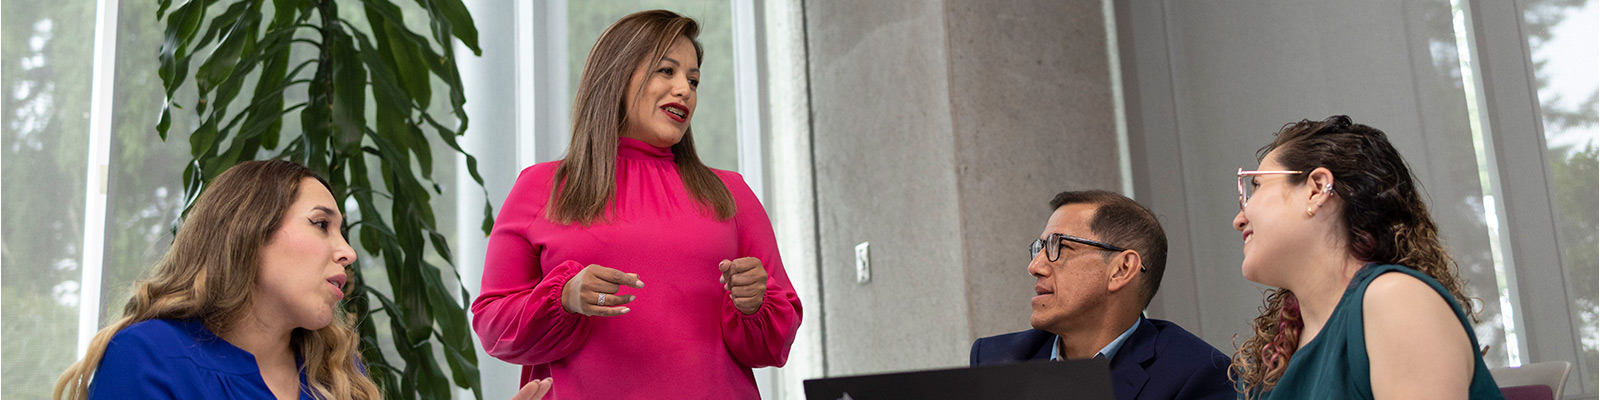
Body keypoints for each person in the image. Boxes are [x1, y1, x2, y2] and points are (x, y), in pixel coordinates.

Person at [470, 9, 802, 399]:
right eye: (667, 71)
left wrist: (754, 304)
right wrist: (564, 297)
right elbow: (492, 326)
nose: (684, 90)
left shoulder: (731, 193)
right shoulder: (541, 187)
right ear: (617, 75)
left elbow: (774, 345)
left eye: (693, 80)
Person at [52, 160, 553, 400]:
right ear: (248, 232)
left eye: (343, 231)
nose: (348, 251)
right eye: (321, 224)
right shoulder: (148, 357)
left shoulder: (336, 374)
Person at [1229, 115, 1503, 399]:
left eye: (1256, 186)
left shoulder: (1397, 300)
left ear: (1317, 189)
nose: (1239, 220)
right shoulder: (1277, 354)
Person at [971, 190, 1234, 400]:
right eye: (1039, 248)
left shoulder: (1195, 374)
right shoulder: (996, 359)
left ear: (1122, 269)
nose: (1035, 267)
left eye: (1058, 246)